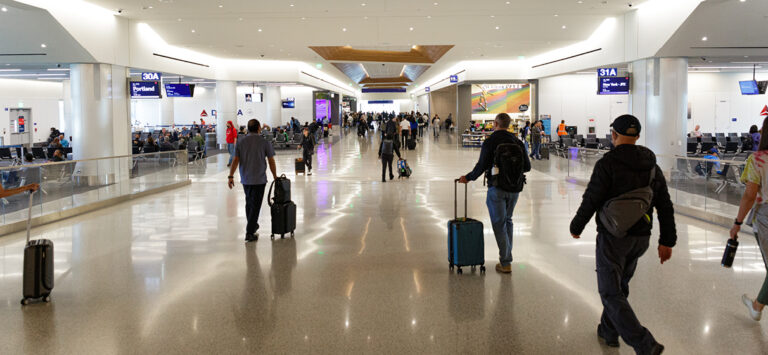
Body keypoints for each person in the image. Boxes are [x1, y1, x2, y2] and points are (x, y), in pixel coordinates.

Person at [569, 114, 674, 354]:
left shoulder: (607, 163)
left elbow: (592, 198)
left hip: (612, 237)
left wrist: (577, 226)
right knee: (620, 286)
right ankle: (608, 331)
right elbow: (664, 205)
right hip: (640, 237)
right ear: (637, 137)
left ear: (613, 135)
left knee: (609, 291)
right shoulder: (652, 167)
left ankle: (644, 343)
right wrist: (667, 240)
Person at [458, 113, 531, 273]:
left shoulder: (490, 141)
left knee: (499, 224)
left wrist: (468, 178)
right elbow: (527, 167)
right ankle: (506, 258)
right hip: (515, 189)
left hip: (496, 188)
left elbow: (482, 165)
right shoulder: (517, 141)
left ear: (496, 124)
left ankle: (505, 262)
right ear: (509, 124)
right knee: (508, 221)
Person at [731, 116, 768, 322]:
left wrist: (737, 223)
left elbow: (749, 194)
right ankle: (757, 304)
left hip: (765, 217)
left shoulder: (758, 159)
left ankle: (756, 306)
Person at [228, 119, 278, 242]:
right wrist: (275, 176)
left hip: (246, 178)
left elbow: (235, 160)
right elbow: (271, 160)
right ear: (259, 128)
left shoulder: (240, 141)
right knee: (255, 206)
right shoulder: (264, 142)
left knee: (249, 203)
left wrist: (231, 176)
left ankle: (253, 225)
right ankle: (249, 232)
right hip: (260, 179)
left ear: (248, 129)